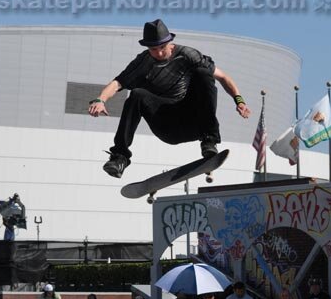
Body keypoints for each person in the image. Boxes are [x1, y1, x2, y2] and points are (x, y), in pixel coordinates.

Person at [88, 18, 251, 179]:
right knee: (137, 93)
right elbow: (117, 83)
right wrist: (100, 100)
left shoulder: (188, 55)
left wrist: (239, 101)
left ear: (170, 42)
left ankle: (209, 139)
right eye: (153, 49)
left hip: (192, 121)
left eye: (162, 47)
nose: (158, 53)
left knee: (203, 74)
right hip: (166, 125)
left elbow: (223, 77)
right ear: (147, 48)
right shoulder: (143, 62)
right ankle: (119, 158)